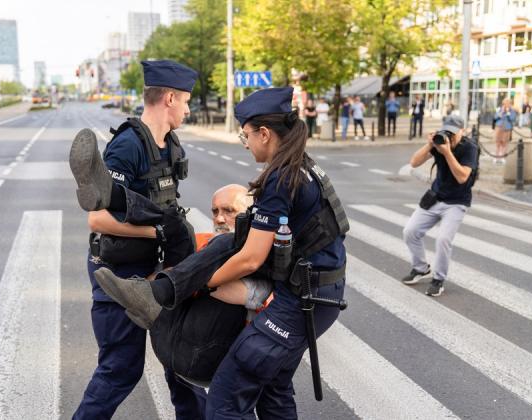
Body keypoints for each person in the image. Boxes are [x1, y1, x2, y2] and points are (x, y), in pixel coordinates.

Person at [93, 87, 349, 419]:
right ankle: (116, 199)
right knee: (273, 391)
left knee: (226, 400)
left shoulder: (280, 178)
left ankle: (158, 291)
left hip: (299, 302)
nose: (246, 145)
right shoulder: (301, 167)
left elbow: (251, 259)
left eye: (246, 137)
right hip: (314, 294)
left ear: (265, 133)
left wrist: (198, 283)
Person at [68, 59, 205, 420]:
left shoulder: (170, 144)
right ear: (170, 98)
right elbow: (97, 220)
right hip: (119, 272)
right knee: (120, 370)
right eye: (187, 101)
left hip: (157, 271)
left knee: (182, 365)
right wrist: (159, 230)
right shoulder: (128, 146)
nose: (190, 109)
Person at [402, 115, 478, 297]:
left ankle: (438, 279)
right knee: (410, 232)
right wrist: (429, 145)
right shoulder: (439, 142)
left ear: (462, 131)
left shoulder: (469, 148)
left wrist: (447, 153)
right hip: (435, 197)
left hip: (457, 201)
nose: (449, 136)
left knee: (443, 239)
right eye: (447, 131)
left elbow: (462, 177)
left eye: (453, 133)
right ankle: (420, 268)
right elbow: (414, 163)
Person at [492, 98, 517, 165]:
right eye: (505, 103)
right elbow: (495, 117)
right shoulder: (499, 109)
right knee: (498, 143)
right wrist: (501, 113)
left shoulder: (512, 111)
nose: (507, 105)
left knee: (505, 143)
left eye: (508, 103)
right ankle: (496, 157)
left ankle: (503, 157)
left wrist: (508, 113)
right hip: (499, 128)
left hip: (507, 129)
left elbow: (513, 119)